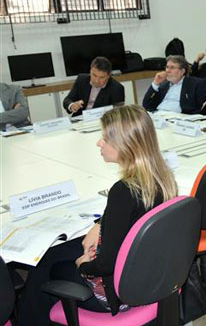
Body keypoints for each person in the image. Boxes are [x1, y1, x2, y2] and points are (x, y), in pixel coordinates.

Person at [16, 105, 178, 325]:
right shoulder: (161, 178)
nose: (99, 143)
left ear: (126, 144)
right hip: (149, 278)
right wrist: (100, 224)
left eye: (105, 139)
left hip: (116, 294)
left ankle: (26, 320)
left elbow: (104, 266)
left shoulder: (123, 191)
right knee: (52, 254)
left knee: (45, 269)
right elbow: (130, 216)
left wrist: (83, 265)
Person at [142, 55, 206, 114]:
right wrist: (155, 83)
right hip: (159, 115)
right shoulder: (164, 85)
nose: (168, 71)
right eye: (167, 67)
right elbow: (146, 105)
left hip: (178, 120)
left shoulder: (195, 84)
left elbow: (200, 109)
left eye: (172, 67)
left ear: (182, 71)